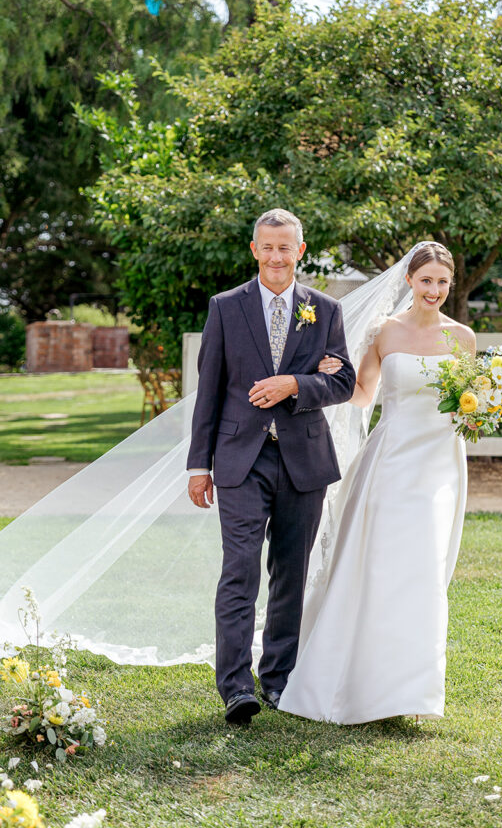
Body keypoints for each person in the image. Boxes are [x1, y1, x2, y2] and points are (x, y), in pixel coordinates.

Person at [279, 241, 472, 724]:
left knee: (425, 565)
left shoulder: (463, 338)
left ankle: (411, 691)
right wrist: (329, 374)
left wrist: (482, 411)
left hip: (442, 464)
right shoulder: (384, 331)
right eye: (426, 280)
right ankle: (359, 682)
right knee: (381, 563)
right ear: (410, 280)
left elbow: (470, 403)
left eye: (442, 283)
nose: (434, 290)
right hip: (391, 461)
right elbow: (363, 396)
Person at [186, 208, 356, 725]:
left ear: (300, 251)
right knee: (238, 571)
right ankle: (236, 686)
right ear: (254, 249)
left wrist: (297, 384)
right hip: (240, 459)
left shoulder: (324, 310)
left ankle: (278, 680)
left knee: (291, 573)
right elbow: (209, 389)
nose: (277, 256)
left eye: (286, 247)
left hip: (304, 460)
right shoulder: (225, 307)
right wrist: (199, 466)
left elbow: (344, 381)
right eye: (268, 246)